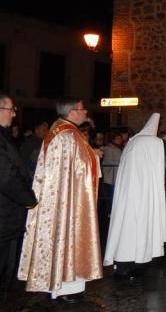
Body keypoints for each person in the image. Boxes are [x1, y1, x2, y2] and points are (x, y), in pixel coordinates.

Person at [18, 97, 103, 303]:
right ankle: (65, 288)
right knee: (66, 236)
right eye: (83, 109)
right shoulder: (67, 135)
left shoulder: (63, 131)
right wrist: (95, 157)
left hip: (64, 197)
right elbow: (78, 166)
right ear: (72, 111)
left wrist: (91, 154)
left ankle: (65, 286)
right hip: (67, 202)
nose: (86, 113)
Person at [104, 113, 166, 279]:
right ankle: (129, 266)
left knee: (127, 227)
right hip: (139, 194)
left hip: (129, 193)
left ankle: (129, 265)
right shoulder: (149, 142)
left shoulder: (133, 142)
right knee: (136, 227)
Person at [0, 92, 37, 299]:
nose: (14, 114)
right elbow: (6, 177)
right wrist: (29, 199)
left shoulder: (5, 138)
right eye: (10, 109)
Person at [99, 129, 123, 246]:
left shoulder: (115, 148)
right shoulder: (109, 148)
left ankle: (111, 213)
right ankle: (110, 214)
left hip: (113, 176)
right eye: (118, 138)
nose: (120, 140)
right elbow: (109, 161)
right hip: (111, 177)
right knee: (111, 195)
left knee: (113, 195)